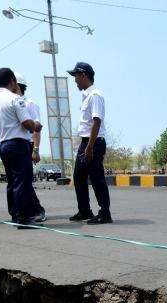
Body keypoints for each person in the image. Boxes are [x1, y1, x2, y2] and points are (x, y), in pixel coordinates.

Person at [0, 67, 45, 228]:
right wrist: (36, 126)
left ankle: (15, 214)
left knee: (12, 181)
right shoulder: (15, 99)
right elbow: (27, 123)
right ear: (12, 80)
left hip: (4, 144)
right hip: (18, 144)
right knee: (23, 182)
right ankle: (24, 217)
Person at [68, 62, 111, 224]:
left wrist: (90, 147)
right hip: (86, 142)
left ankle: (105, 213)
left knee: (97, 178)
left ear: (84, 75)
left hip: (94, 142)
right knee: (78, 177)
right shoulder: (86, 96)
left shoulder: (95, 96)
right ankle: (84, 210)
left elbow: (96, 122)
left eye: (76, 76)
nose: (75, 80)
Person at [15, 73, 41, 165]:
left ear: (16, 86)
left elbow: (36, 129)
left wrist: (36, 150)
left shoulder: (30, 104)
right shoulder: (9, 103)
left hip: (27, 144)